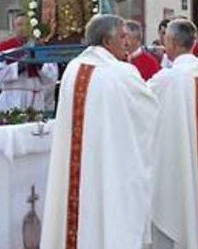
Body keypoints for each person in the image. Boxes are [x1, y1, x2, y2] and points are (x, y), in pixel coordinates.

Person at [41, 15, 160, 248]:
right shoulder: (122, 73)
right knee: (108, 219)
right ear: (107, 41)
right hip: (110, 167)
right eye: (123, 36)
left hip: (78, 167)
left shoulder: (73, 69)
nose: (128, 42)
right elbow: (150, 114)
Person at [147, 19, 198, 248]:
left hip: (178, 165)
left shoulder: (166, 79)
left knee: (181, 210)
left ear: (172, 42)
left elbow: (140, 112)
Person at [0, 14, 58, 110]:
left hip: (35, 97)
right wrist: (20, 65)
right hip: (12, 96)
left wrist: (40, 64)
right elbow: (0, 74)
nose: (23, 28)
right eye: (19, 24)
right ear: (14, 27)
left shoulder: (41, 47)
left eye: (26, 24)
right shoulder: (4, 48)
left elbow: (52, 77)